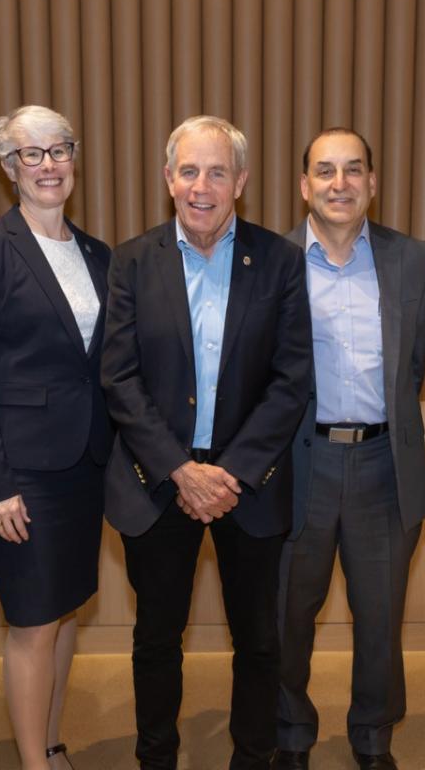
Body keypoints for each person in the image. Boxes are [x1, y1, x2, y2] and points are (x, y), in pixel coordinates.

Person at [100, 115, 312, 769]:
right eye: (189, 170)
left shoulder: (278, 260)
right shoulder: (133, 260)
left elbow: (292, 377)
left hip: (250, 484)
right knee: (157, 638)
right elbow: (119, 375)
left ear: (241, 181)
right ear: (168, 179)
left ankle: (254, 757)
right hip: (158, 484)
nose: (202, 185)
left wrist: (232, 472)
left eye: (217, 171)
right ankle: (156, 757)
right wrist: (179, 469)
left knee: (258, 641)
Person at [0, 105, 112, 770]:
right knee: (33, 619)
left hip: (85, 465)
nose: (48, 165)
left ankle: (49, 740)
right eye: (31, 154)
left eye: (58, 150)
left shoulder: (99, 253)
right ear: (8, 169)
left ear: (74, 157)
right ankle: (31, 764)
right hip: (21, 473)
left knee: (68, 608)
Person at [275, 128, 425, 770]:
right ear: (303, 185)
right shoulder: (273, 260)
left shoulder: (415, 261)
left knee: (380, 618)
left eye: (352, 170)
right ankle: (290, 732)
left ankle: (373, 736)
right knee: (289, 614)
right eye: (324, 171)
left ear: (372, 181)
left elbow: (417, 363)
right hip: (297, 464)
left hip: (381, 463)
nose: (338, 183)